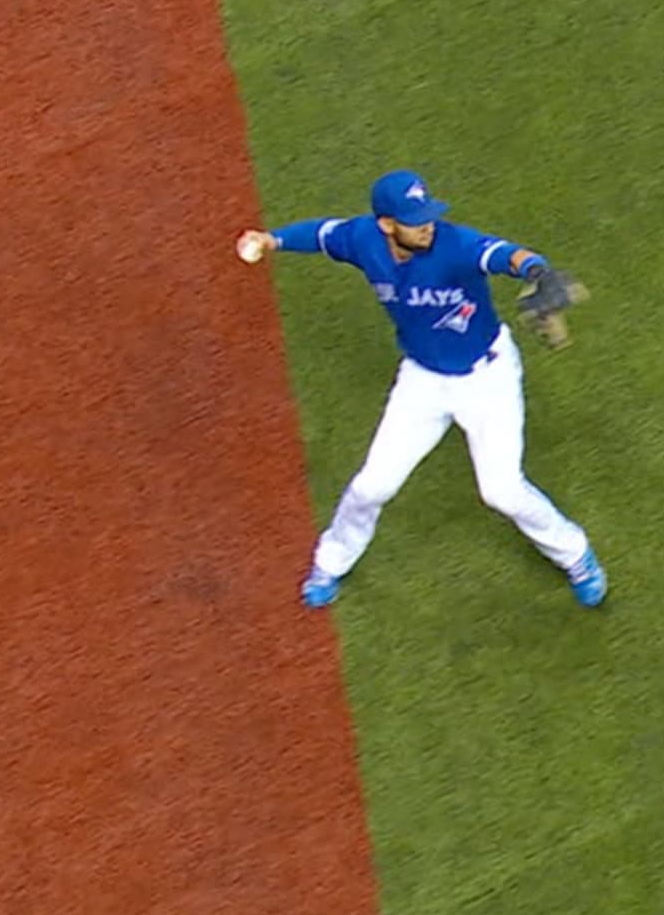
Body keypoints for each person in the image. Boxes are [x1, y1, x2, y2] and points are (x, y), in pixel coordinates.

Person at [235, 169, 606, 610]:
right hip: (423, 381)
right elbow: (321, 235)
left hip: (487, 379)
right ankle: (330, 563)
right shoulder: (363, 240)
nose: (427, 225)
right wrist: (271, 240)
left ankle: (576, 555)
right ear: (386, 224)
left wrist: (537, 270)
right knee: (371, 486)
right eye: (414, 220)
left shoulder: (454, 245)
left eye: (428, 215)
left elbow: (503, 254)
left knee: (502, 490)